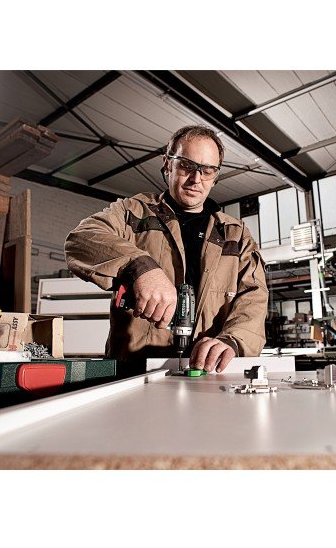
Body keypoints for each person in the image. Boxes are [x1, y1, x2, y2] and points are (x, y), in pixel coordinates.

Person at [64, 125, 268, 373]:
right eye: (186, 166)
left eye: (207, 171)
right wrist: (139, 267)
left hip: (209, 371)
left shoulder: (234, 234)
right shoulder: (133, 212)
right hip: (135, 371)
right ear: (167, 164)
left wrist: (233, 340)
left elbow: (254, 296)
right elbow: (81, 239)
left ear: (215, 176)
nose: (196, 179)